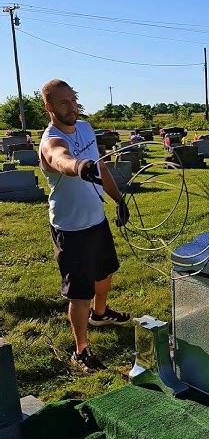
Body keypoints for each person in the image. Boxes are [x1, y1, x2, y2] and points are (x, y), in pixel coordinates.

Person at [39, 79, 131, 373]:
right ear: (49, 107)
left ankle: (100, 314)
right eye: (63, 103)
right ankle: (81, 351)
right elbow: (60, 158)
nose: (71, 107)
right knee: (80, 293)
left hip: (96, 219)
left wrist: (118, 199)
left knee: (105, 274)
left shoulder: (86, 128)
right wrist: (79, 166)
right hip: (71, 228)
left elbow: (100, 166)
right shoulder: (50, 139)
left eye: (73, 100)